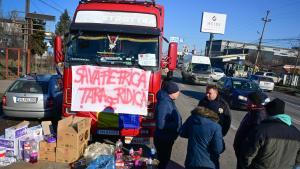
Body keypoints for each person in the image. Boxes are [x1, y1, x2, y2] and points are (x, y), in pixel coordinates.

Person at [240, 98, 300, 169]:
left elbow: (247, 155)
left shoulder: (261, 130)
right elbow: (298, 160)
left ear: (268, 112)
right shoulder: (296, 133)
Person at [233, 91, 267, 169]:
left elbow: (254, 139)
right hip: (242, 152)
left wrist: (245, 155)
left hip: (246, 155)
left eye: (248, 101)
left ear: (254, 102)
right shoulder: (253, 112)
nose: (247, 102)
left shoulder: (259, 116)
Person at [154, 81, 182, 169]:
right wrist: (176, 124)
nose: (179, 93)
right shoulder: (164, 103)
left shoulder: (168, 100)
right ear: (171, 93)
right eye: (177, 91)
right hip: (164, 139)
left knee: (163, 160)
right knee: (163, 161)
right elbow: (161, 124)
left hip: (165, 137)